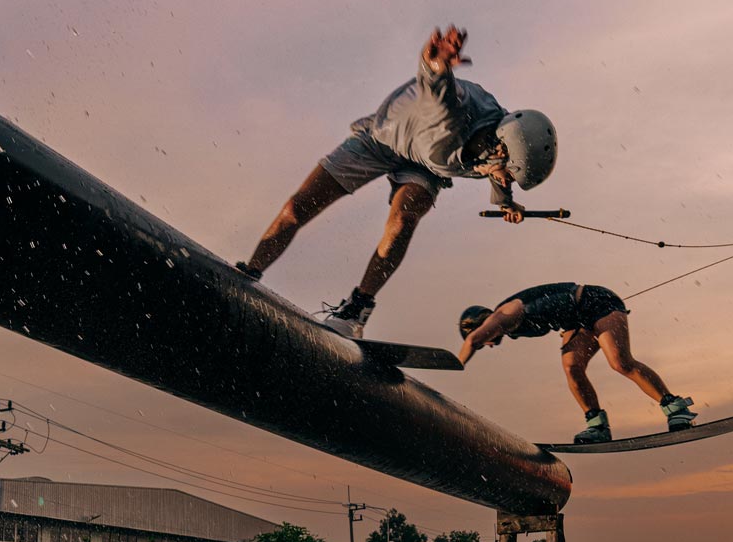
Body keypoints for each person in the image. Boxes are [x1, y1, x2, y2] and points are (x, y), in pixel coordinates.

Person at [236, 26, 557, 338]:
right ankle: (249, 273)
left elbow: (502, 175)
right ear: (498, 150)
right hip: (381, 140)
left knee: (404, 218)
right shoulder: (453, 115)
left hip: (425, 166)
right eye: (508, 175)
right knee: (299, 206)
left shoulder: (500, 147)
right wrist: (437, 62)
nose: (504, 180)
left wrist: (506, 203)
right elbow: (438, 86)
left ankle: (357, 310)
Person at [457, 283, 697, 444]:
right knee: (572, 368)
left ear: (480, 323)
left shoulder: (501, 316)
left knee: (619, 362)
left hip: (597, 302)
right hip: (576, 321)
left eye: (484, 339)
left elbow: (473, 340)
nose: (488, 345)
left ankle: (676, 408)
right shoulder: (506, 326)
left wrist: (456, 363)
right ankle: (597, 426)